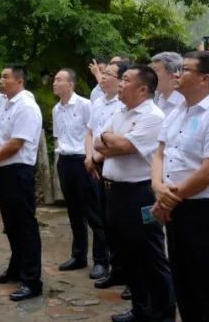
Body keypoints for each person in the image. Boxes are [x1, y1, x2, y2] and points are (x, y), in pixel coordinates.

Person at [151, 51, 209, 322]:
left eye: (185, 69)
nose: (177, 74)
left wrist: (169, 199)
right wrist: (158, 186)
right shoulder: (177, 111)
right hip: (176, 206)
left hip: (205, 211)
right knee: (184, 282)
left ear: (205, 78)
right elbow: (160, 153)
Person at [94, 65, 174, 322]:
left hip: (141, 194)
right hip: (114, 192)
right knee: (127, 254)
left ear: (142, 88)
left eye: (125, 80)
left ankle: (162, 314)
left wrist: (115, 142)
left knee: (151, 255)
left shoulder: (153, 116)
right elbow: (99, 142)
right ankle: (141, 309)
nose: (119, 83)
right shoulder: (120, 110)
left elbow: (127, 145)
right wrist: (114, 141)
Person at [0, 65, 43, 302]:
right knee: (11, 224)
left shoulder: (26, 106)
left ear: (19, 80)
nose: (0, 80)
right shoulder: (5, 103)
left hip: (19, 171)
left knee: (25, 225)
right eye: (1, 75)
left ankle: (32, 280)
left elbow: (17, 142)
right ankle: (16, 268)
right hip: (4, 169)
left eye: (5, 76)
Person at [51, 68, 108, 278]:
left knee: (93, 211)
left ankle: (102, 259)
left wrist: (90, 159)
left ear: (70, 84)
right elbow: (59, 137)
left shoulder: (85, 105)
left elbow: (91, 132)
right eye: (55, 79)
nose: (54, 83)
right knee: (74, 211)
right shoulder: (57, 109)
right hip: (65, 161)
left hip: (83, 161)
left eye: (59, 79)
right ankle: (79, 255)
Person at [88, 60, 129, 295]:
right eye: (102, 74)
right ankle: (113, 268)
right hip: (97, 163)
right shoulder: (98, 102)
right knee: (104, 218)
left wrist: (96, 157)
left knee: (124, 226)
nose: (103, 77)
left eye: (109, 74)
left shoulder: (123, 107)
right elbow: (92, 133)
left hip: (113, 166)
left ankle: (128, 274)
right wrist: (90, 157)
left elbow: (117, 142)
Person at [150, 52, 184, 116]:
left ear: (172, 74)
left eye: (155, 71)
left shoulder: (184, 103)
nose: (150, 75)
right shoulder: (154, 97)